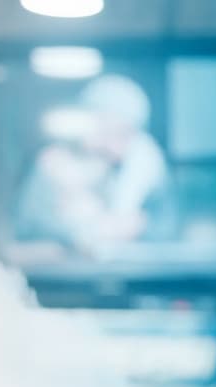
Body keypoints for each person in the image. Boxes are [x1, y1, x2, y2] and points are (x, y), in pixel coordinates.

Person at [13, 73, 175, 261]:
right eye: (108, 132)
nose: (115, 146)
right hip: (67, 273)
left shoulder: (144, 168)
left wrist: (135, 226)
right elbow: (29, 228)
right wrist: (80, 229)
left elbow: (165, 228)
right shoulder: (53, 163)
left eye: (125, 134)